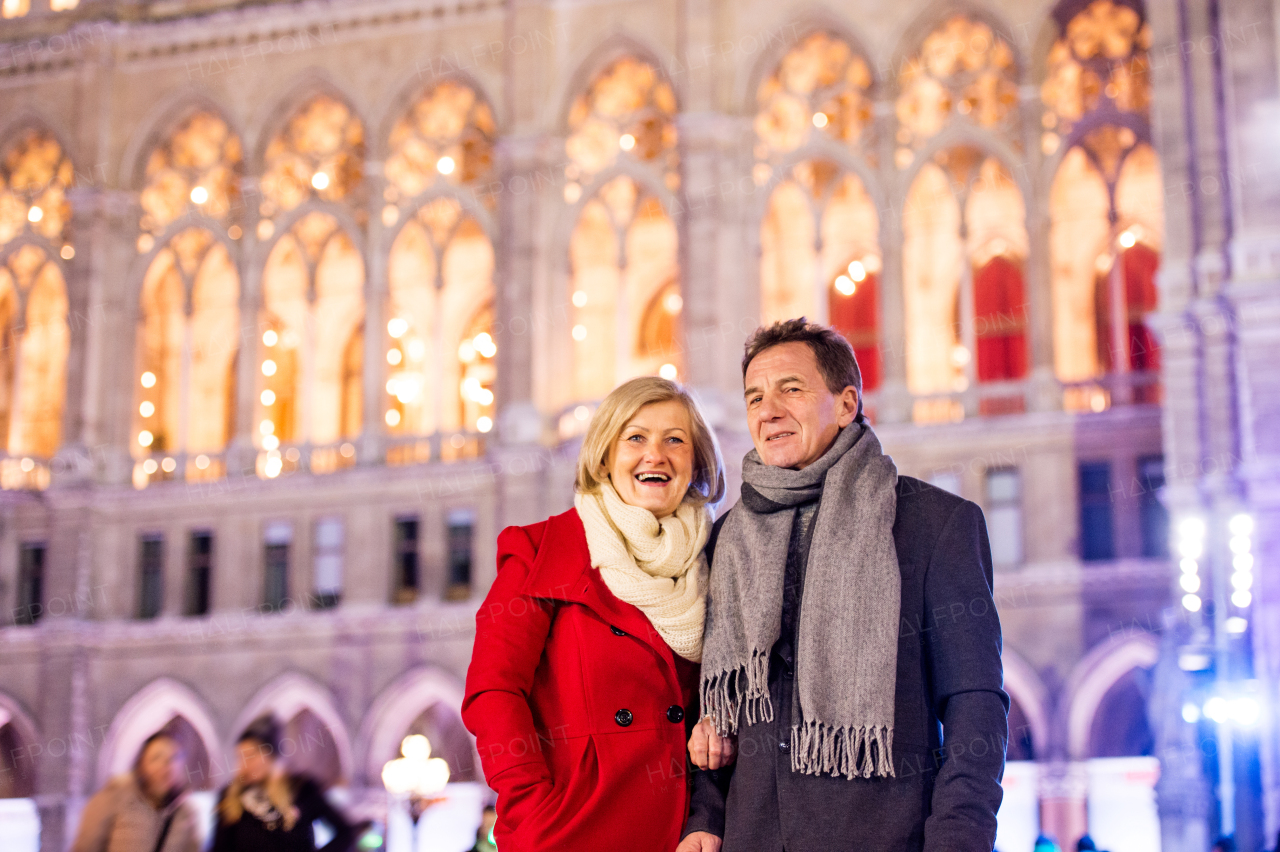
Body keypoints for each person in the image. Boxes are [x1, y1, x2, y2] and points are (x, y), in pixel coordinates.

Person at [680, 318, 1008, 852]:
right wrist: (705, 817)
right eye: (755, 397)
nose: (769, 411)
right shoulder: (727, 538)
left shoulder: (936, 524)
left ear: (846, 403)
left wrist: (958, 840)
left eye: (791, 389)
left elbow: (975, 703)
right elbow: (718, 714)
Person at [463, 376, 727, 852]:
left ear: (697, 462)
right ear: (605, 457)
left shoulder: (715, 560)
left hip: (679, 835)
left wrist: (705, 815)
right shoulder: (542, 550)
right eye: (636, 438)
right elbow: (493, 692)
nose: (656, 454)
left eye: (675, 440)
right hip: (571, 830)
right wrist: (532, 808)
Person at [211, 715, 357, 852]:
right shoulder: (231, 796)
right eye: (240, 756)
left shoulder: (300, 789)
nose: (244, 764)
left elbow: (345, 834)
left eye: (251, 755)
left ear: (270, 756)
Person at [71, 730, 200, 852]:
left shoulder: (185, 813)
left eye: (174, 758)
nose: (166, 766)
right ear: (142, 764)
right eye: (156, 758)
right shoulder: (114, 797)